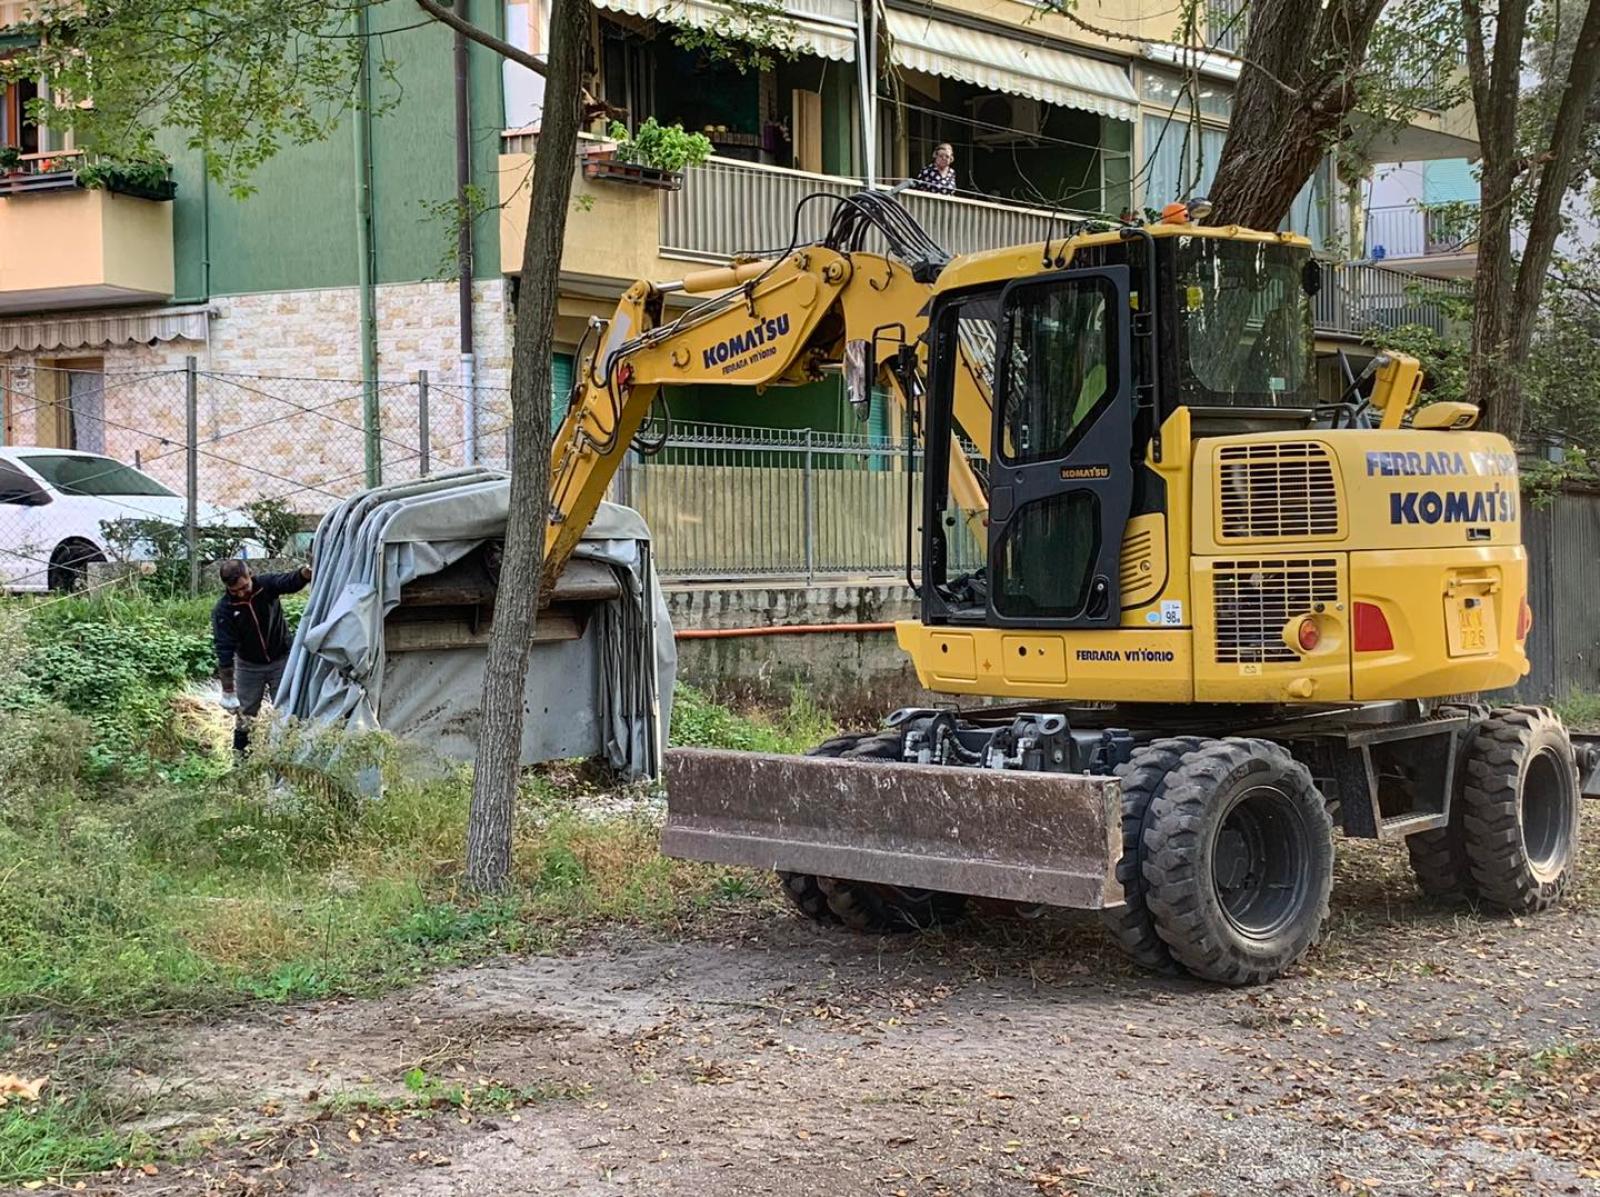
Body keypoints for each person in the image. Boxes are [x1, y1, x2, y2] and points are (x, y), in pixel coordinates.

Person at [213, 558, 312, 756]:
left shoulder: (265, 586)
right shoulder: (224, 610)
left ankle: (290, 755)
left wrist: (305, 573)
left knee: (287, 709)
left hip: (281, 659)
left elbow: (289, 581)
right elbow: (224, 649)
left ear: (250, 575)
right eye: (235, 591)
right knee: (245, 715)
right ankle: (241, 759)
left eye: (244, 587)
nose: (241, 593)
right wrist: (228, 690)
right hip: (248, 666)